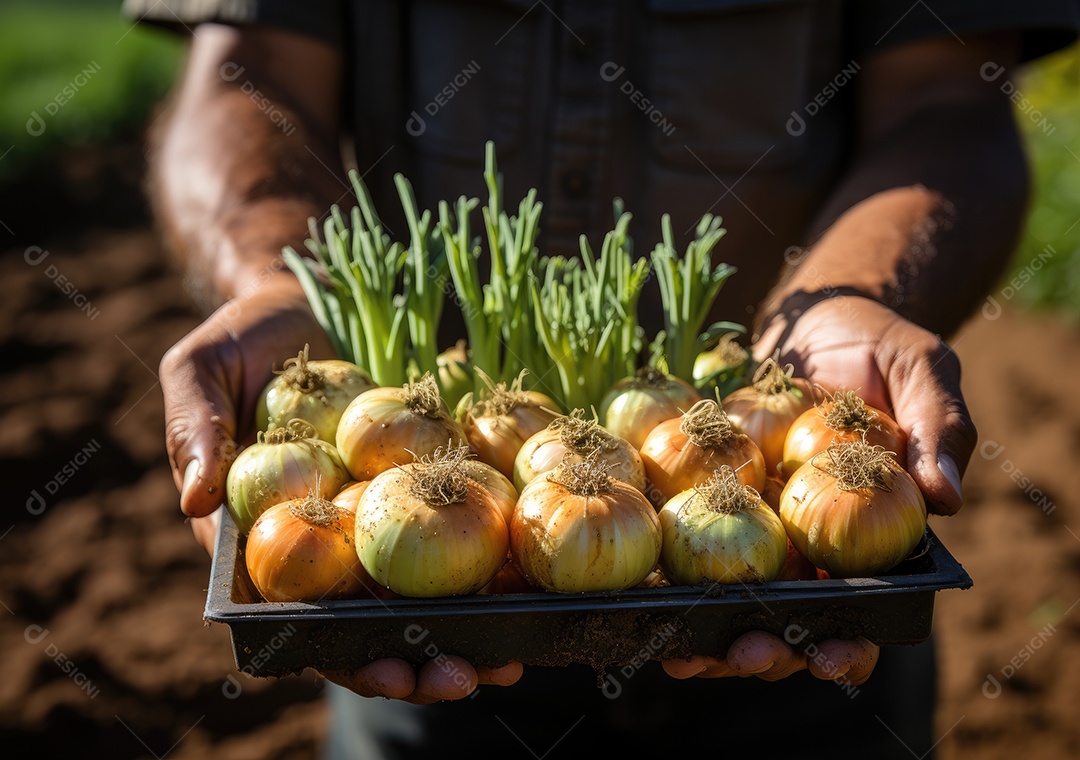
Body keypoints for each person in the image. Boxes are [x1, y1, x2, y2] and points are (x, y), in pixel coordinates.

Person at [127, 1, 1079, 757]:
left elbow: (950, 97)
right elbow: (245, 72)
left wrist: (853, 297)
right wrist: (276, 277)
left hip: (800, 586)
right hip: (417, 612)